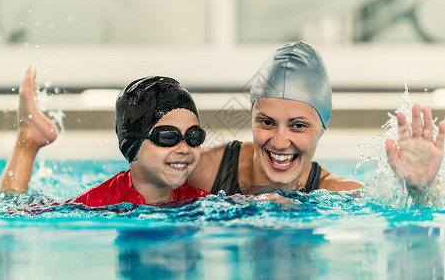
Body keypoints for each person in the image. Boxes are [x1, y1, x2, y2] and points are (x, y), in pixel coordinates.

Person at [186, 41, 445, 198]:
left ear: (323, 127)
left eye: (298, 125)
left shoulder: (335, 193)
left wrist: (419, 191)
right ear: (251, 118)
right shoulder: (203, 171)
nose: (279, 141)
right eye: (266, 122)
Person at [0, 67, 210, 206]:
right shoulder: (102, 201)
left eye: (194, 136)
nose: (184, 148)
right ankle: (29, 139)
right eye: (167, 137)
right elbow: (11, 212)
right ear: (131, 141)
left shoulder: (201, 199)